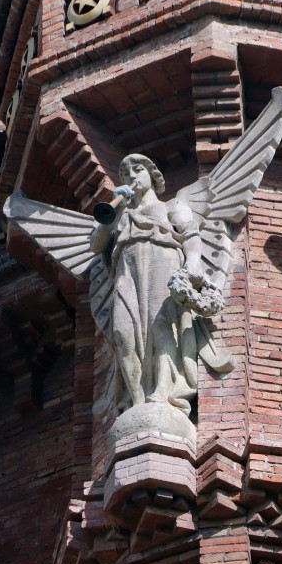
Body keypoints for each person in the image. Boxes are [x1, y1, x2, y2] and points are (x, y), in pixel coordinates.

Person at [89, 154, 203, 413]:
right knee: (121, 333)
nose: (131, 177)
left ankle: (163, 393)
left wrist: (193, 263)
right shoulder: (120, 216)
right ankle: (137, 402)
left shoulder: (172, 205)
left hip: (162, 260)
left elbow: (191, 236)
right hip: (127, 272)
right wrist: (114, 213)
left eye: (138, 170)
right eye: (125, 174)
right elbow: (95, 245)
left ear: (152, 175)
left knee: (162, 325)